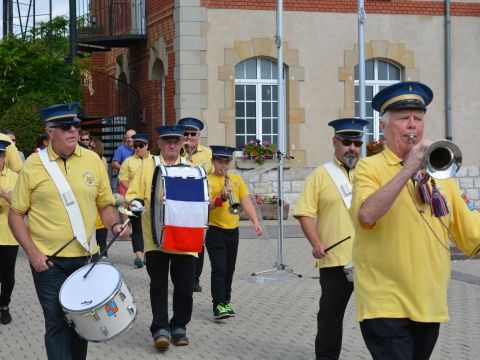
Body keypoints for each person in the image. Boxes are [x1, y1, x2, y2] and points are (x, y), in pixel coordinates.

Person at [350, 81, 480, 360]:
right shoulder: (368, 169)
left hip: (428, 301)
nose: (412, 126)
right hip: (385, 301)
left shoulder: (440, 173)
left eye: (418, 119)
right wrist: (408, 169)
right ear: (384, 127)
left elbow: (470, 234)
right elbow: (366, 215)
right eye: (403, 119)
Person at [8, 102, 131, 360]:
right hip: (48, 262)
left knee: (81, 326)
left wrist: (115, 225)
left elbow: (104, 204)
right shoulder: (32, 165)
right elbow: (16, 214)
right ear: (50, 132)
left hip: (87, 259)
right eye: (65, 127)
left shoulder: (93, 161)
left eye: (75, 125)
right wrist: (32, 253)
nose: (73, 131)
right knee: (57, 324)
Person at [293, 118, 367, 359]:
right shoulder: (321, 175)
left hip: (371, 259)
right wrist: (316, 243)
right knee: (330, 317)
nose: (352, 148)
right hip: (335, 260)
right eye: (347, 142)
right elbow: (305, 212)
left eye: (357, 143)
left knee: (377, 318)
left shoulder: (370, 173)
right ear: (335, 142)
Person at [126, 125, 197, 351]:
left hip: (184, 239)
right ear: (159, 144)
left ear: (182, 143)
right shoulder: (148, 166)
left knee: (185, 286)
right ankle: (160, 328)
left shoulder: (191, 169)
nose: (172, 145)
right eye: (167, 141)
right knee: (158, 285)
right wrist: (135, 205)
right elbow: (133, 194)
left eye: (176, 141)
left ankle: (179, 326)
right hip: (155, 238)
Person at [206, 146, 262, 320]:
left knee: (230, 269)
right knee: (219, 269)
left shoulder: (236, 179)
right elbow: (207, 207)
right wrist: (221, 196)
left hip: (233, 231)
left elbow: (245, 201)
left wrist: (256, 221)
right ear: (213, 162)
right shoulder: (207, 180)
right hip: (214, 230)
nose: (223, 165)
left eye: (226, 162)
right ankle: (218, 305)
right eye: (220, 161)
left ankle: (226, 301)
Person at [177, 117, 212, 292]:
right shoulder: (175, 152)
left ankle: (195, 278)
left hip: (200, 206)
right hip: (179, 206)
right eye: (185, 134)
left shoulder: (207, 154)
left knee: (199, 243)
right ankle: (181, 278)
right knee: (180, 242)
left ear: (198, 136)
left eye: (192, 134)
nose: (189, 137)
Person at [119, 133, 152, 268]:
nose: (138, 148)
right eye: (136, 146)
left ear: (147, 146)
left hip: (150, 200)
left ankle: (150, 255)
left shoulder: (154, 160)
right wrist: (134, 189)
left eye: (141, 146)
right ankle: (139, 256)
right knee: (137, 227)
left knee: (150, 229)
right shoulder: (128, 161)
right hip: (135, 200)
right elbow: (123, 179)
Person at [0, 139, 19, 325]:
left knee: (8, 277)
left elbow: (22, 207)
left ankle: (4, 305)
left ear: (4, 157)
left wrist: (4, 194)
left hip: (8, 236)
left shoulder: (15, 177)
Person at [88, 136, 109, 256]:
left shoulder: (101, 160)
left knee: (101, 232)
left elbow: (102, 179)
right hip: (90, 202)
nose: (88, 148)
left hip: (98, 198)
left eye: (91, 146)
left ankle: (104, 256)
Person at [112, 128, 136, 194]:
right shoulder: (120, 149)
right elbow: (114, 164)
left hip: (135, 181)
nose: (130, 139)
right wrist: (126, 168)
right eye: (128, 137)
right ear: (125, 138)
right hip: (123, 182)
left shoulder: (138, 148)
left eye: (132, 137)